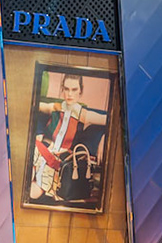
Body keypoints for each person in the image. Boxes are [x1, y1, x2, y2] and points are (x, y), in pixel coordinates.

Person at [28, 71, 109, 207]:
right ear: (62, 89)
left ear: (80, 91)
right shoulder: (54, 107)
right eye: (66, 89)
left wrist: (104, 139)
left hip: (60, 160)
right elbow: (31, 104)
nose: (69, 94)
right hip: (43, 151)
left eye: (74, 89)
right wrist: (39, 130)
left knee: (32, 193)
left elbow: (114, 120)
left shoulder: (85, 115)